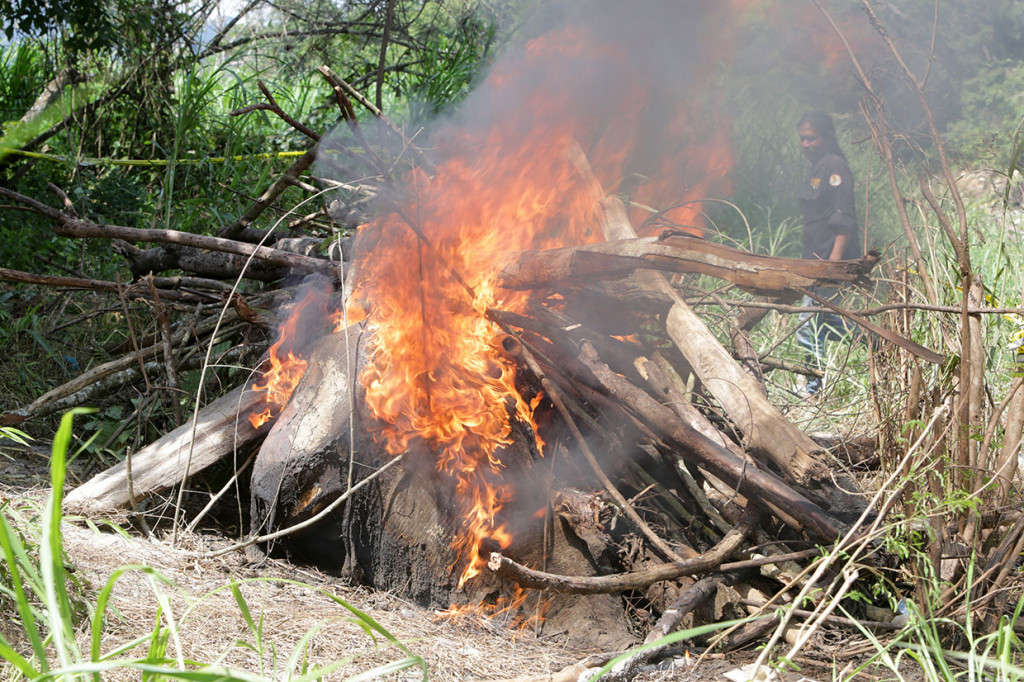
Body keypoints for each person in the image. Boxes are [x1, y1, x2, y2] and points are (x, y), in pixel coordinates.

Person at [795, 111, 861, 396]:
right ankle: (875, 343)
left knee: (808, 323)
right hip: (815, 261)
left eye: (811, 138)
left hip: (829, 262)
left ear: (828, 138)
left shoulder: (835, 168)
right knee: (825, 323)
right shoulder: (818, 167)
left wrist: (833, 266)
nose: (806, 144)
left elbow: (843, 220)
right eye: (802, 139)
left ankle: (812, 388)